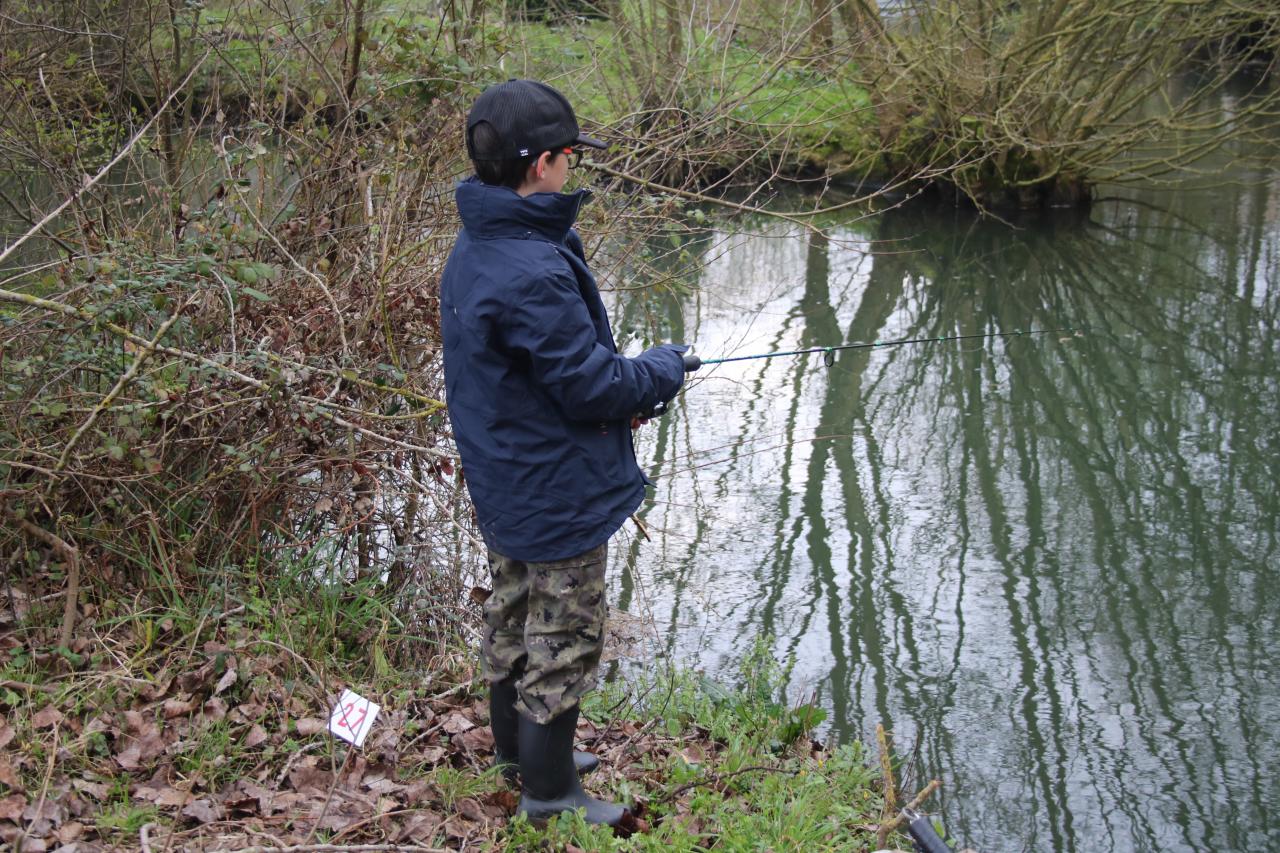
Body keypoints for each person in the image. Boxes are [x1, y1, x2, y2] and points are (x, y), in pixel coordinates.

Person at [438, 79, 689, 827]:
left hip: (509, 477)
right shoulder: (531, 268)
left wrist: (623, 398)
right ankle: (549, 795)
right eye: (570, 157)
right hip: (555, 492)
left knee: (513, 615)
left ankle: (521, 754)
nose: (572, 169)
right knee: (565, 637)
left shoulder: (480, 243)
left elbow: (534, 381)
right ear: (542, 163)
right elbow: (590, 384)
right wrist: (662, 370)